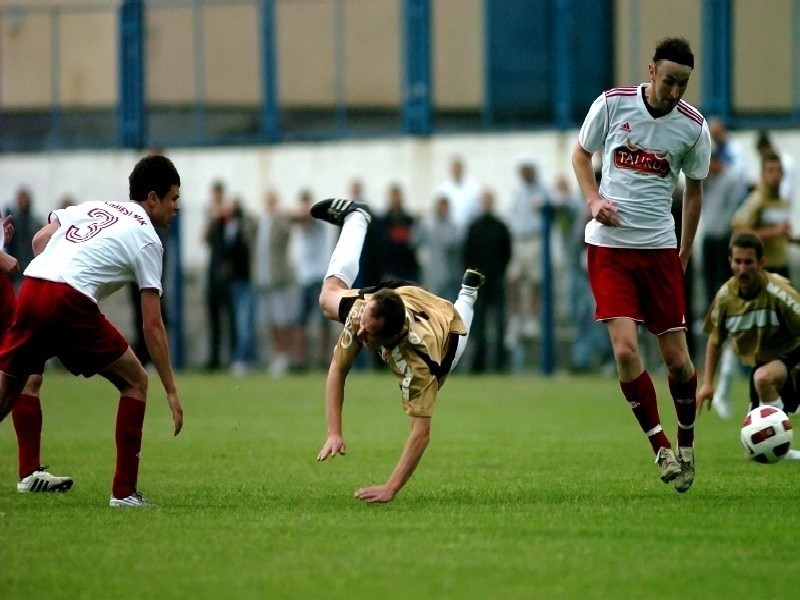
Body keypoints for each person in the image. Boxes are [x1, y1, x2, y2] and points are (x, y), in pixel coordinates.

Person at [0, 154, 184, 508]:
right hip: (69, 300)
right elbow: (152, 323)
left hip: (34, 287)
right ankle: (124, 493)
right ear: (152, 198)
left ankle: (30, 472)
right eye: (174, 198)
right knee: (135, 381)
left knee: (9, 391)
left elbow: (40, 240)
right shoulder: (148, 239)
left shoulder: (98, 206)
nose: (177, 206)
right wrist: (172, 390)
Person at [571, 37, 712, 493]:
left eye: (683, 84)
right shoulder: (612, 105)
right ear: (650, 70)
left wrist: (684, 251)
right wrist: (593, 199)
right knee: (627, 351)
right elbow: (580, 154)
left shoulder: (692, 127)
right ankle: (661, 449)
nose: (675, 91)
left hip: (658, 250)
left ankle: (688, 444)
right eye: (669, 80)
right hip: (609, 248)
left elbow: (693, 190)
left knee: (677, 361)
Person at [310, 197, 484, 503]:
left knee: (457, 340)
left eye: (366, 334)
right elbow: (338, 368)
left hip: (445, 332)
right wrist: (334, 431)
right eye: (362, 323)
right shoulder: (364, 313)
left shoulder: (420, 365)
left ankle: (468, 293)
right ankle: (357, 217)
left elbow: (421, 434)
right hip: (404, 293)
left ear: (387, 339)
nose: (357, 331)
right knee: (327, 299)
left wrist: (391, 487)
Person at [697, 232, 800, 460]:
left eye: (748, 262)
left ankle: (782, 441)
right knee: (753, 448)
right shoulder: (725, 297)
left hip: (793, 355)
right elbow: (715, 340)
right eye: (738, 261)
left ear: (761, 263)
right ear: (730, 262)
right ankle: (785, 446)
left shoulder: (779, 292)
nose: (742, 269)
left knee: (763, 378)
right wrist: (707, 384)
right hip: (763, 362)